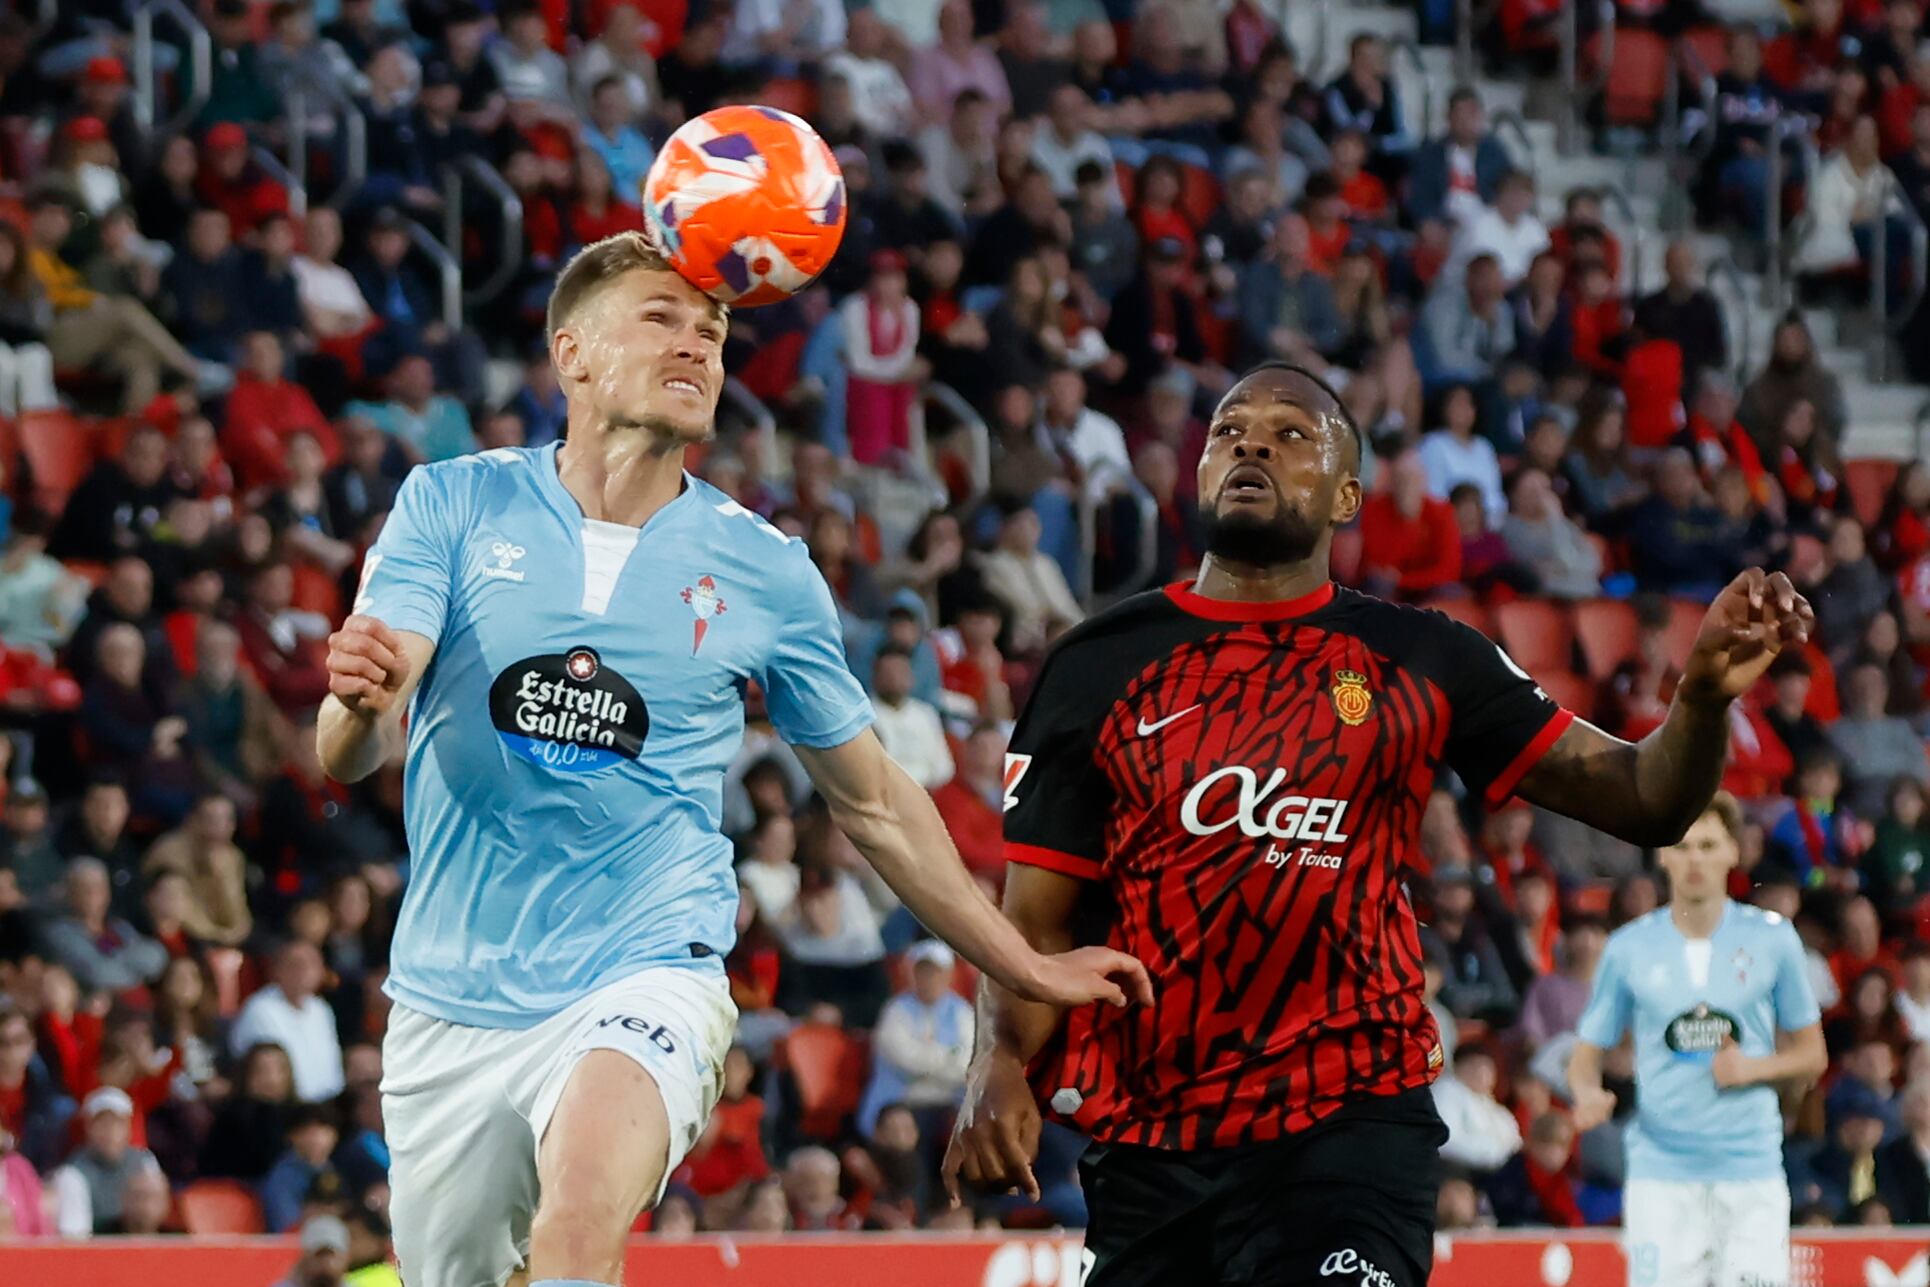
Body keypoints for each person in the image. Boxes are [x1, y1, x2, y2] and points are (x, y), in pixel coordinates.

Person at [317, 232, 1145, 1287]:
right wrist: (356, 703)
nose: (697, 347)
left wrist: (1017, 963)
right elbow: (352, 744)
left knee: (577, 1233)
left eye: (710, 332)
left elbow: (876, 802)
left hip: (646, 965)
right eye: (660, 319)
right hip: (452, 996)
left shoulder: (765, 569)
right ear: (571, 355)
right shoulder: (452, 502)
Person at [946, 360, 1817, 1287]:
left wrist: (1703, 699)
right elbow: (1034, 921)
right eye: (1229, 431)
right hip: (1155, 1142)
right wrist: (995, 1063)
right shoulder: (1097, 665)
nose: (1250, 443)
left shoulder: (1423, 658)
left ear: (1347, 496)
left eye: (1291, 435)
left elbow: (1648, 800)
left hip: (1350, 1119)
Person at [1568, 793, 1829, 1287]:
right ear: (1662, 855)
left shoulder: (1775, 939)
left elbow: (1812, 1054)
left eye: (1708, 846)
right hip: (1660, 1177)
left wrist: (1752, 1068)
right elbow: (1585, 1056)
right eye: (1682, 847)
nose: (1695, 860)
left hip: (1751, 1172)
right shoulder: (1628, 949)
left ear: (1733, 852)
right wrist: (1587, 1094)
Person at [230, 940, 346, 1103]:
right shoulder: (260, 1009)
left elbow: (333, 1068)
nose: (304, 971)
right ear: (277, 970)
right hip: (284, 1107)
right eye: (296, 965)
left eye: (312, 964)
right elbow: (268, 1076)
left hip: (326, 1103)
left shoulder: (321, 1009)